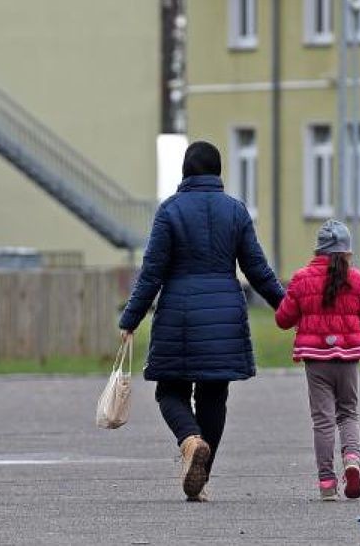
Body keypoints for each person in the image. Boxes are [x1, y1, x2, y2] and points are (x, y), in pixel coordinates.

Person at [118, 141, 284, 502]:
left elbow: (152, 273)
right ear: (218, 172)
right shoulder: (236, 212)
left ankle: (190, 441)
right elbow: (257, 269)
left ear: (185, 171)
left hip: (179, 313)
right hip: (224, 314)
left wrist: (131, 317)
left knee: (170, 390)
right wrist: (286, 307)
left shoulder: (171, 211)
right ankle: (201, 478)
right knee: (214, 394)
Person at [275, 219, 360, 501]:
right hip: (348, 358)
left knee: (322, 420)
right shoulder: (356, 279)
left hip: (316, 360)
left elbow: (283, 319)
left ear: (318, 250)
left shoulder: (301, 278)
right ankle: (353, 461)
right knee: (348, 413)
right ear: (346, 252)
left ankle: (327, 484)